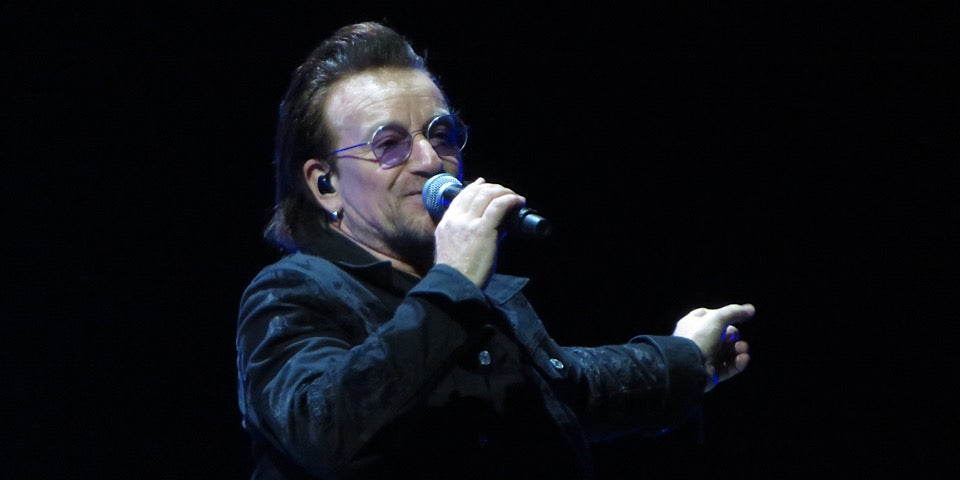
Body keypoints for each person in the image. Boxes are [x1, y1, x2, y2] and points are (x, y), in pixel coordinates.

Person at [235, 20, 755, 480]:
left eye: (441, 134)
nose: (430, 160)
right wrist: (454, 282)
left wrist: (688, 357)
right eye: (389, 144)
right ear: (325, 184)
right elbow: (325, 430)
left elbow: (571, 386)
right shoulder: (291, 293)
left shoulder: (477, 300)